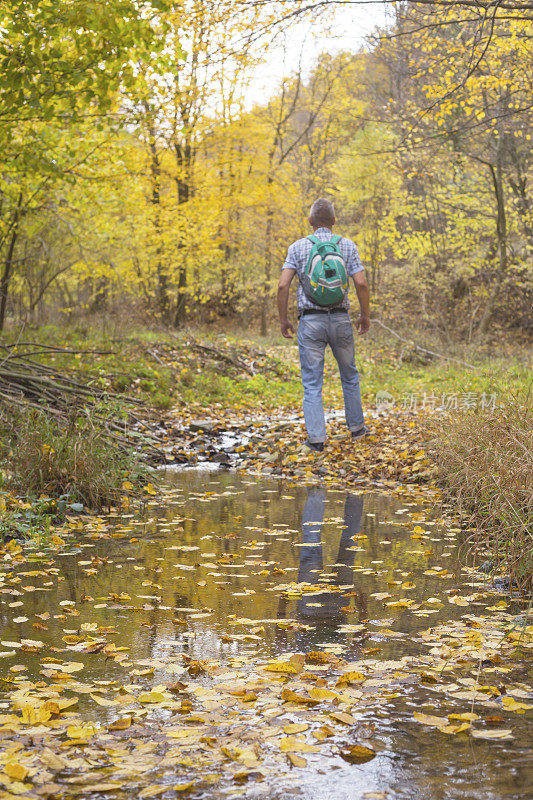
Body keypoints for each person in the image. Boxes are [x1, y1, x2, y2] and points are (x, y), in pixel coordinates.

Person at [277, 198, 370, 451]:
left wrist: (284, 319)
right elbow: (361, 283)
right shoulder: (347, 246)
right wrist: (365, 315)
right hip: (340, 319)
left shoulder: (297, 248)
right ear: (333, 221)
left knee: (312, 382)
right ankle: (357, 430)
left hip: (310, 322)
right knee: (349, 375)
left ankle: (317, 439)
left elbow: (283, 285)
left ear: (310, 222)